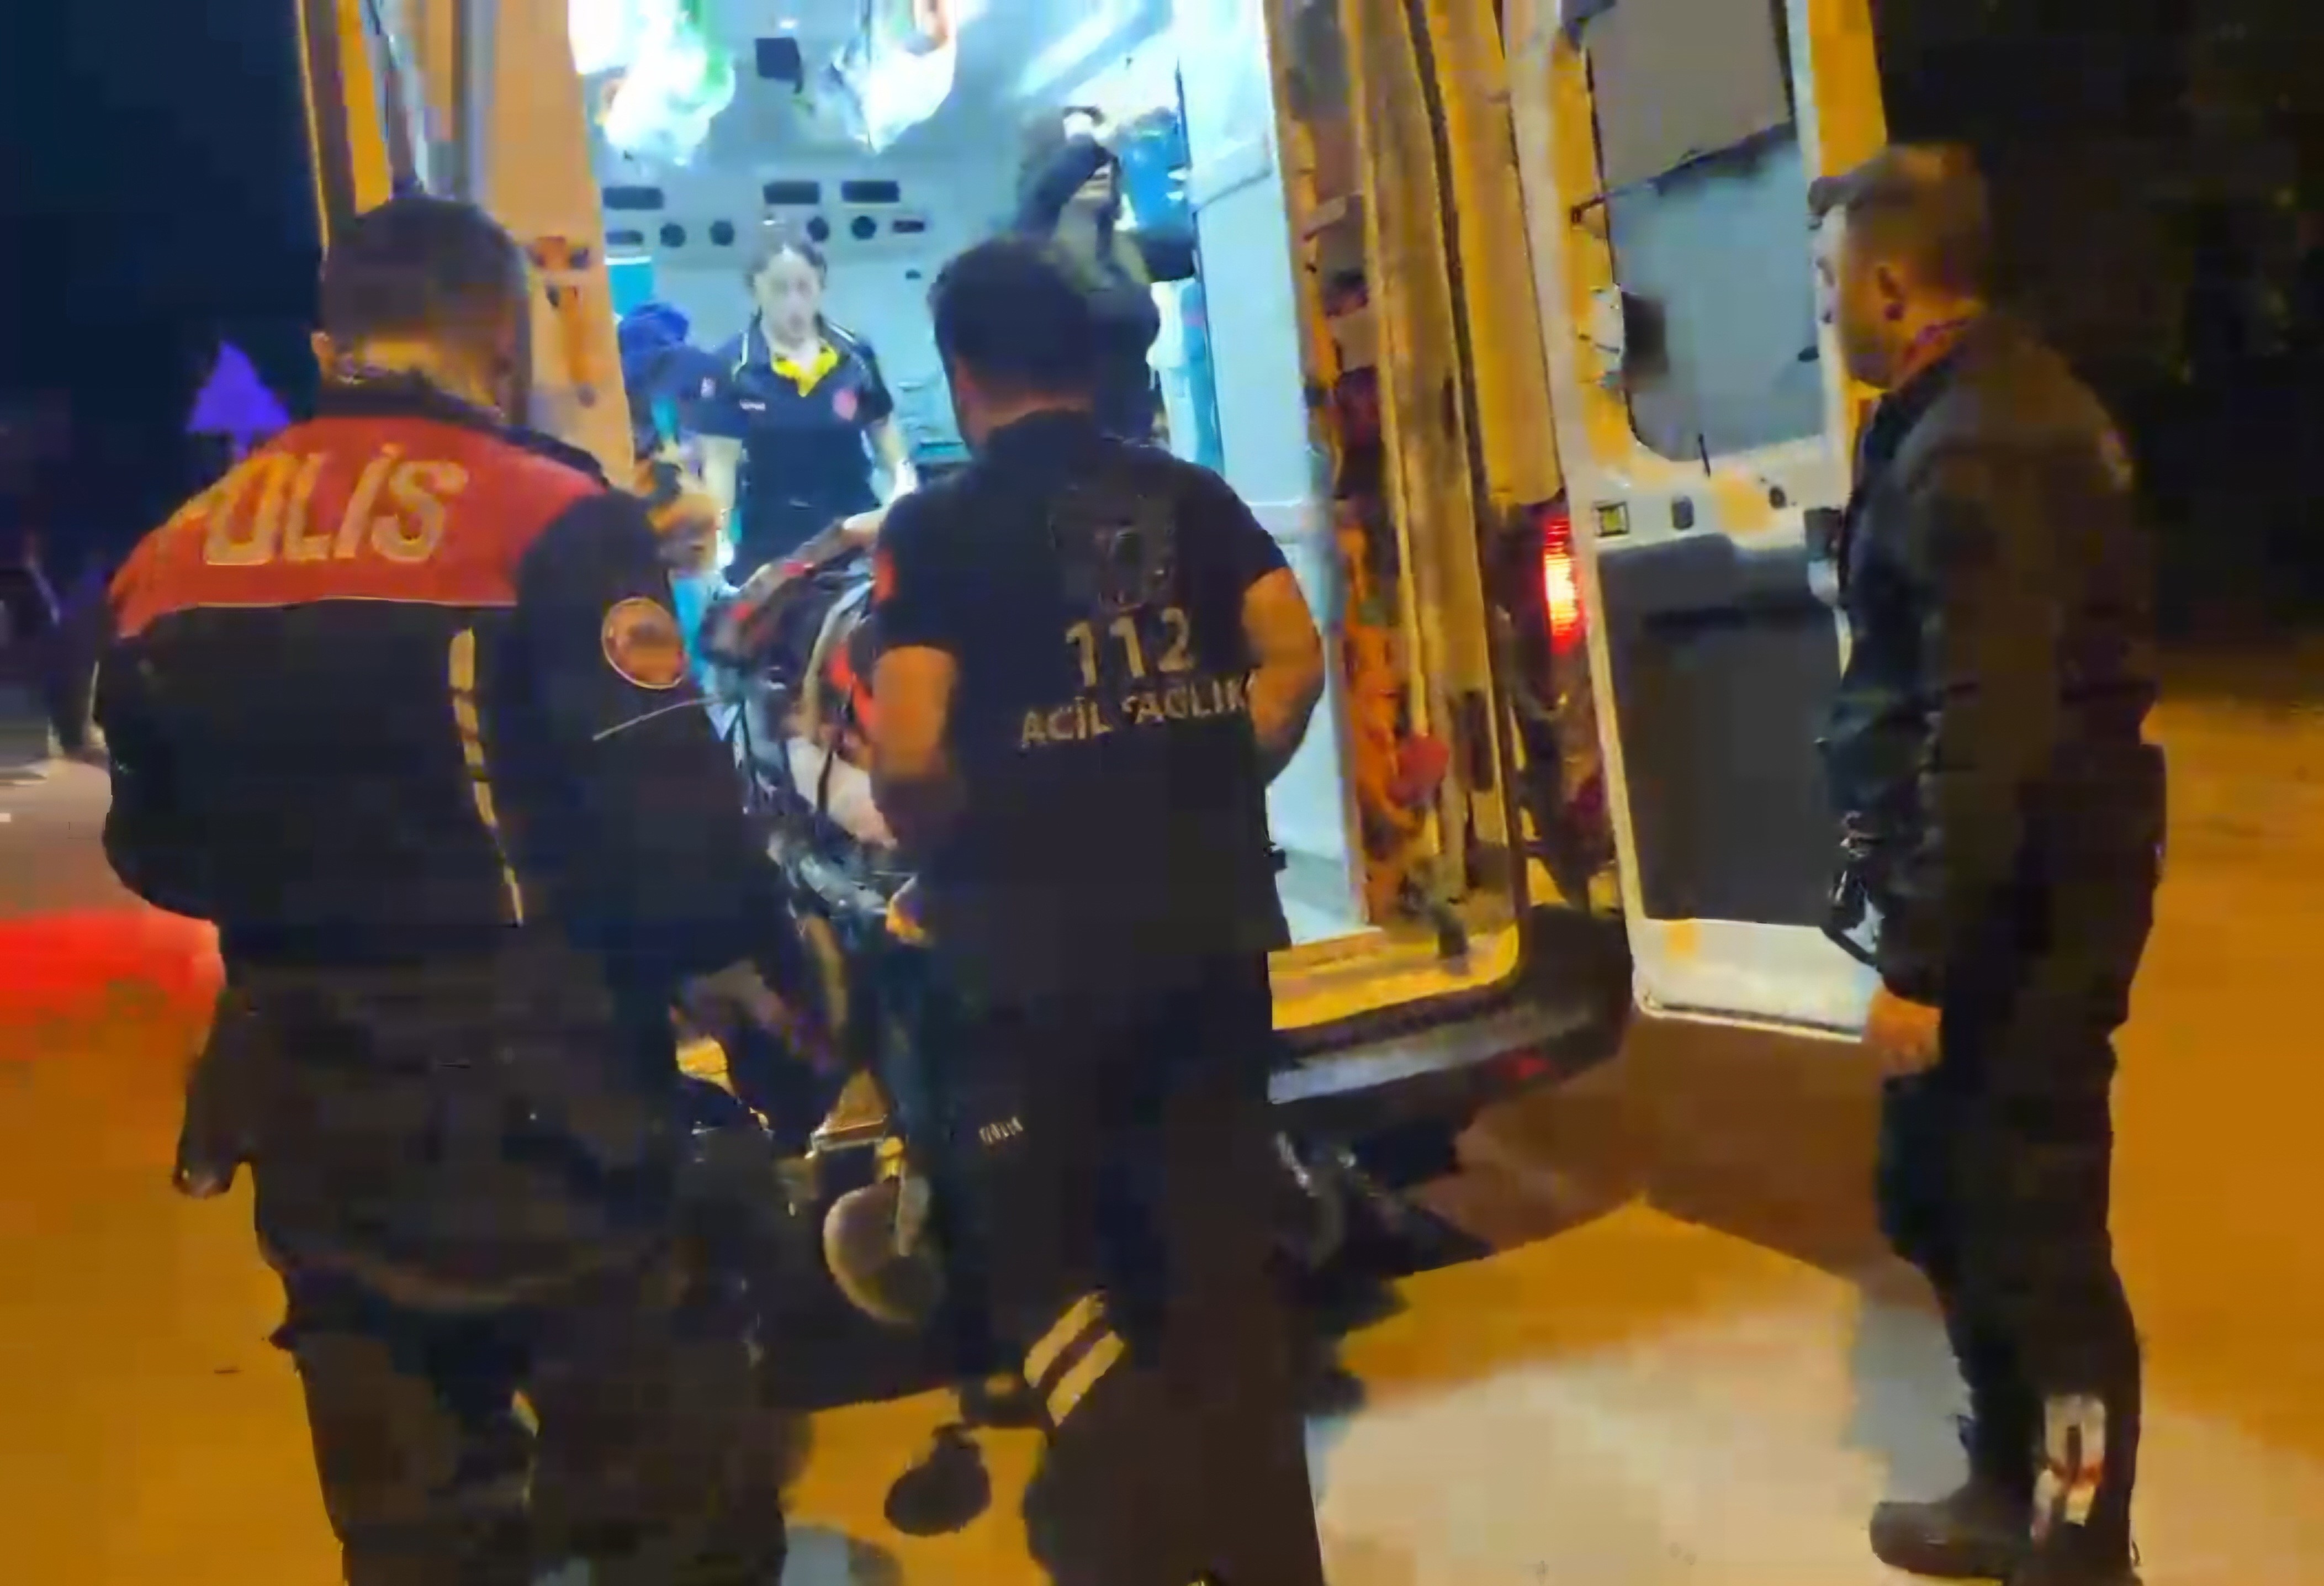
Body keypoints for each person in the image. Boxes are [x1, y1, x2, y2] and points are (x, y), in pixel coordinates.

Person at [97, 193, 800, 1586]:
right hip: (547, 1105)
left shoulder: (174, 554)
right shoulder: (550, 518)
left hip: (311, 1108)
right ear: (502, 338)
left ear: (329, 346)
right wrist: (771, 995)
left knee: (414, 1518)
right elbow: (678, 844)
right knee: (670, 1502)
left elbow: (155, 853)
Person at [866, 235, 1329, 1585]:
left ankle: (1137, 1523)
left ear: (963, 374)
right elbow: (1293, 656)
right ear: (1086, 360)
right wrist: (1206, 775)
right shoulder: (1191, 496)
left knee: (1038, 1257)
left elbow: (908, 749)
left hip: (1030, 958)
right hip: (1206, 935)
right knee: (1219, 1269)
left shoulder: (934, 529)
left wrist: (962, 842)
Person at [1811, 145, 2165, 1586]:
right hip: (1994, 883)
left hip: (2032, 901)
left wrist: (1919, 960)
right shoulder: (1962, 412)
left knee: (2039, 1236)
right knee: (1935, 1193)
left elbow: (1991, 730)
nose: (1825, 309)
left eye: (1831, 281)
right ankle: (2003, 1482)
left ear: (1891, 283)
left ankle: (2082, 1546)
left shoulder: (1982, 446)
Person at [697, 230, 917, 583]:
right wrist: (717, 541)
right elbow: (720, 464)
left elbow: (883, 428)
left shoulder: (855, 355)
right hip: (772, 535)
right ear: (755, 289)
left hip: (853, 524)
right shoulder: (730, 366)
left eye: (804, 288)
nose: (794, 302)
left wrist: (903, 482)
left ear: (821, 285)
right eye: (779, 289)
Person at [1013, 117, 1199, 443]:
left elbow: (1209, 242)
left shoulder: (1128, 252)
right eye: (1084, 163)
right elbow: (1047, 195)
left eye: (1107, 164)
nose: (1101, 171)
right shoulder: (1031, 260)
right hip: (1060, 444)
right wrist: (1098, 143)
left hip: (1132, 440)